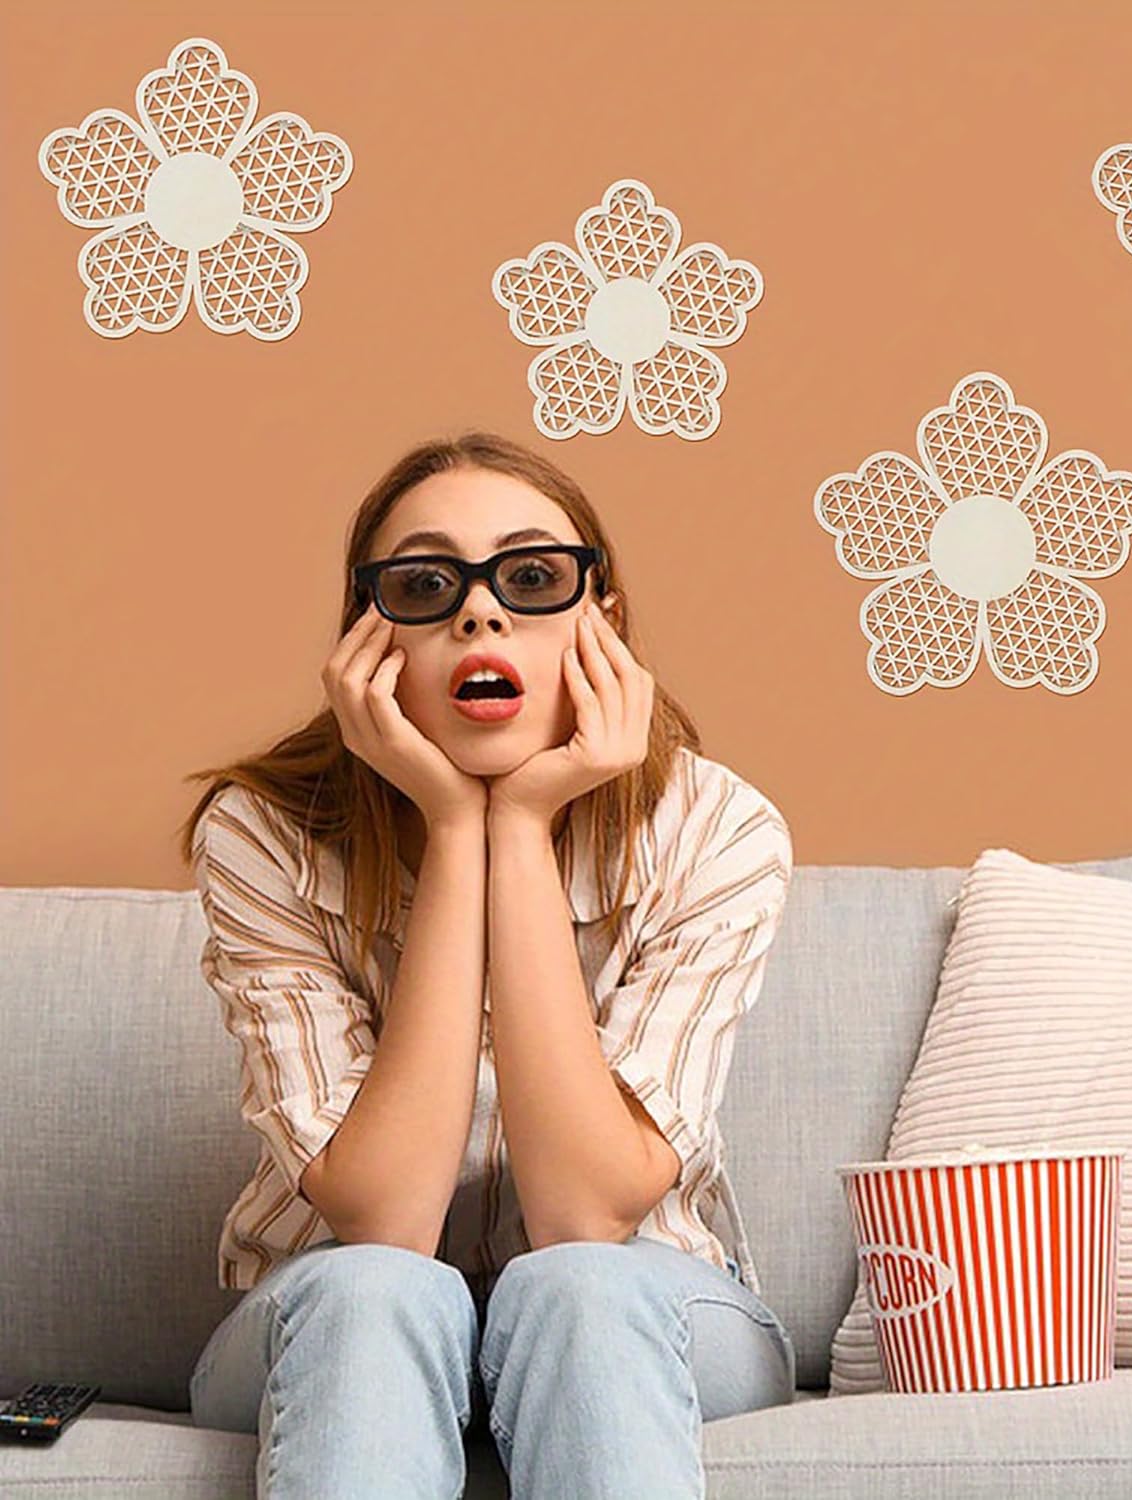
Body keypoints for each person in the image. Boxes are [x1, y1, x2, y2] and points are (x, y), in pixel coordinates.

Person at [178, 430, 797, 1497]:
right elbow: (385, 1218)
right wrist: (456, 832)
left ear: (601, 622)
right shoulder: (262, 835)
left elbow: (585, 1214)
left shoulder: (716, 829)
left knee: (578, 1291)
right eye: (425, 584)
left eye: (533, 576)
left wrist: (523, 824)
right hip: (340, 1313)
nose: (481, 611)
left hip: (643, 1298)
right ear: (366, 644)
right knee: (377, 1293)